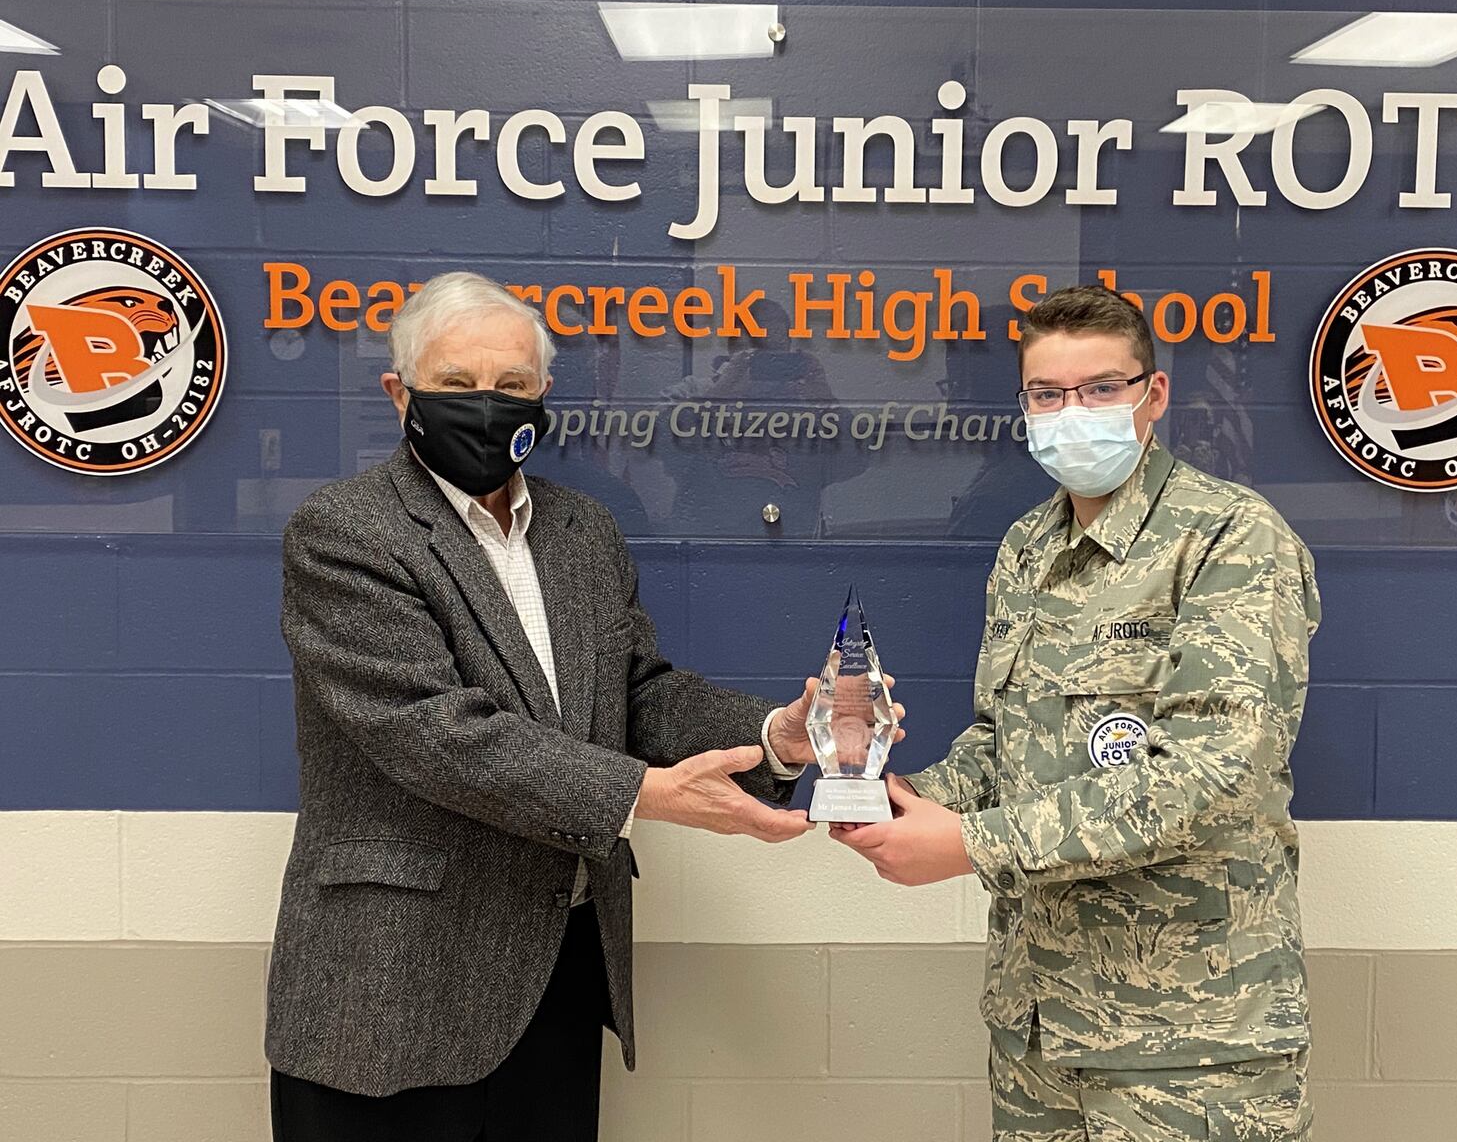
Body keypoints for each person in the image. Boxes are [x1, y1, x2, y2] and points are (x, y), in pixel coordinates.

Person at [265, 272, 880, 1142]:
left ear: (544, 395)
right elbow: (433, 736)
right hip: (392, 986)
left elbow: (635, 692)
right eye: (456, 386)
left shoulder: (584, 527)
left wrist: (775, 736)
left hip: (557, 968)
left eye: (512, 386)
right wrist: (650, 797)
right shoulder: (346, 532)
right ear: (398, 393)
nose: (487, 406)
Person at [831, 284, 1320, 1141]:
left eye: (1101, 389)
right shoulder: (1027, 546)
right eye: (1048, 395)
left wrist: (969, 843)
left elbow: (1212, 775)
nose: (1074, 413)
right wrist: (894, 791)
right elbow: (1000, 743)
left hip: (1187, 1046)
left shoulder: (1230, 538)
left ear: (1152, 396)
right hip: (1038, 1032)